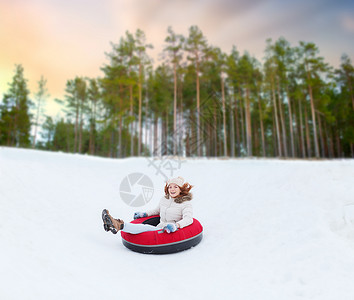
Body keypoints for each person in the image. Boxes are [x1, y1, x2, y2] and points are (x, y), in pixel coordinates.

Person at [102, 176, 193, 235]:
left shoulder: (186, 203)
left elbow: (188, 219)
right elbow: (157, 211)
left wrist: (176, 226)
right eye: (170, 187)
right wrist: (144, 214)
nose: (172, 189)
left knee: (146, 228)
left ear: (180, 189)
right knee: (145, 229)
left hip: (170, 231)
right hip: (160, 227)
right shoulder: (165, 199)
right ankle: (114, 224)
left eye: (175, 187)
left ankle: (118, 224)